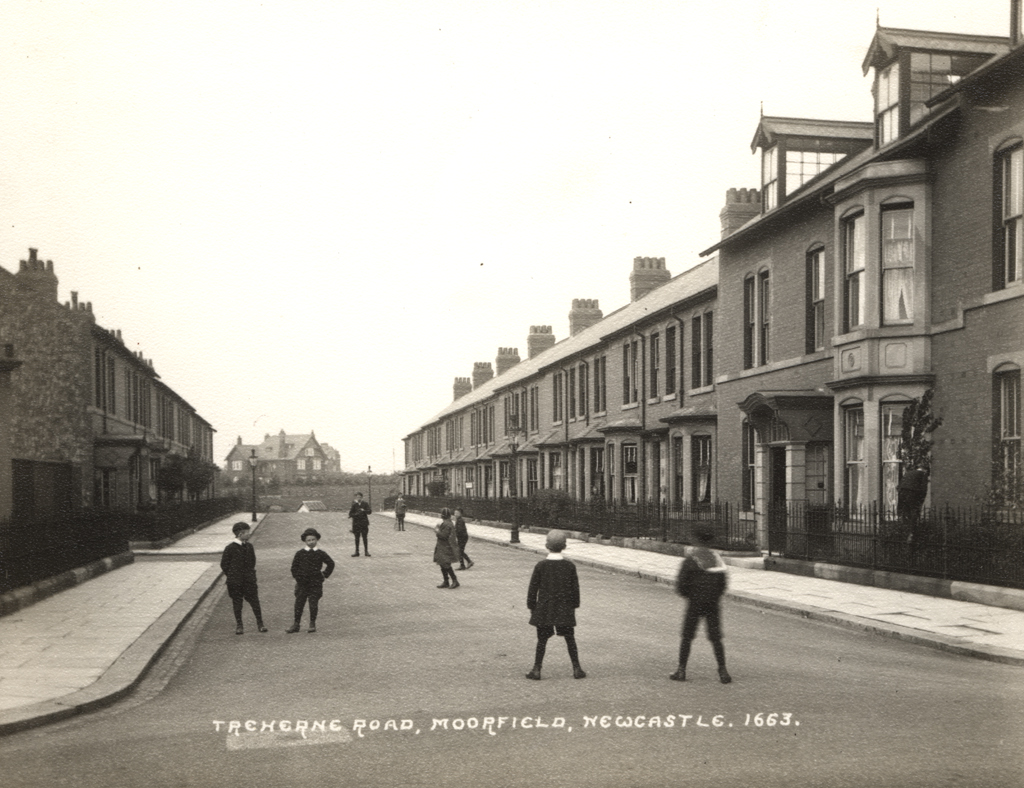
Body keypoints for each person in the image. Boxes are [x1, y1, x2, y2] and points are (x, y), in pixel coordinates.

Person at [672, 528, 731, 684]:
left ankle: (681, 670)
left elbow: (681, 585)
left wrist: (690, 595)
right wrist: (714, 596)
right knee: (716, 638)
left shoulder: (691, 560)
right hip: (712, 603)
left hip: (695, 603)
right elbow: (723, 584)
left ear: (696, 540)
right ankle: (723, 671)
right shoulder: (717, 560)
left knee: (687, 637)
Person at [525, 530, 585, 680]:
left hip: (545, 608)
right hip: (564, 608)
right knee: (570, 638)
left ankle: (537, 669)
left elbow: (533, 589)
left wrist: (532, 607)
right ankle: (577, 668)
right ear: (564, 546)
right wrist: (574, 606)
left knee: (542, 640)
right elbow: (575, 589)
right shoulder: (569, 566)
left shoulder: (541, 566)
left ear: (547, 545)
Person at [220, 522, 268, 635]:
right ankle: (239, 625)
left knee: (255, 602)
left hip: (249, 580)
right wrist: (233, 576)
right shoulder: (230, 548)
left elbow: (252, 562)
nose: (249, 534)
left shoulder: (249, 546)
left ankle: (260, 624)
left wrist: (250, 575)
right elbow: (224, 565)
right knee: (237, 603)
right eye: (247, 532)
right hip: (235, 582)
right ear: (240, 534)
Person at [286, 527, 335, 634]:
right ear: (305, 541)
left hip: (315, 583)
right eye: (308, 540)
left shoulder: (321, 553)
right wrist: (298, 578)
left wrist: (324, 575)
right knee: (299, 604)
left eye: (313, 539)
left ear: (317, 540)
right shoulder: (300, 553)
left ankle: (312, 623)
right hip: (302, 583)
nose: (311, 542)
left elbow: (331, 563)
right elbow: (294, 568)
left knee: (313, 604)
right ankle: (296, 624)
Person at [898, 466, 929, 547]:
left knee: (905, 512)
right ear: (926, 470)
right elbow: (924, 490)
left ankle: (903, 531)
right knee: (914, 512)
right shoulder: (923, 474)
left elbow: (898, 486)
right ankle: (912, 534)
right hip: (912, 493)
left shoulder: (909, 472)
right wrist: (920, 503)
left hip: (902, 492)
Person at [433, 508, 461, 589]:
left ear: (443, 515)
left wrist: (437, 530)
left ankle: (454, 581)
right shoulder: (447, 523)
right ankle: (446, 581)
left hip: (445, 547)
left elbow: (444, 536)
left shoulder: (447, 524)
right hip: (444, 546)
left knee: (446, 564)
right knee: (442, 564)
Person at [348, 492, 372, 556]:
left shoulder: (365, 504)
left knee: (365, 538)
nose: (358, 498)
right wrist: (356, 514)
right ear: (356, 498)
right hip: (356, 523)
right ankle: (357, 551)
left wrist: (364, 510)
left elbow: (369, 511)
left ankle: (366, 551)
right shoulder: (354, 505)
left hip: (364, 523)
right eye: (357, 497)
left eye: (360, 497)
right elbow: (350, 514)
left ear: (362, 497)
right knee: (357, 538)